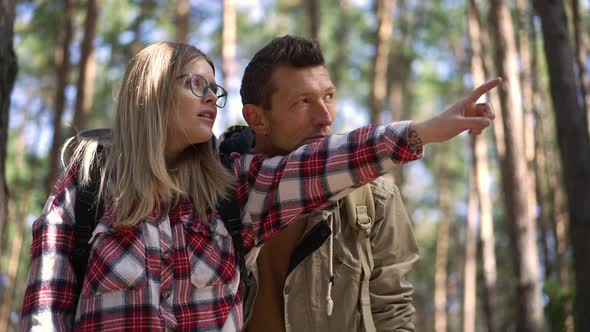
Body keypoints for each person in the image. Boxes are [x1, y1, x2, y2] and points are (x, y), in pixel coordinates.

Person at [21, 41, 498, 331]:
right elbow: (45, 314)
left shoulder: (234, 191)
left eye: (216, 89)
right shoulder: (84, 191)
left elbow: (324, 164)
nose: (213, 98)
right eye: (197, 85)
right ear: (151, 92)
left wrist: (426, 130)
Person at [234, 35, 419, 332]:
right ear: (257, 118)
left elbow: (393, 310)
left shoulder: (374, 198)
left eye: (328, 97)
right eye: (303, 101)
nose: (325, 118)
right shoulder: (216, 192)